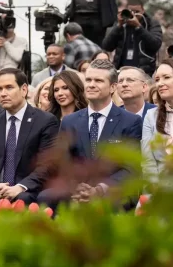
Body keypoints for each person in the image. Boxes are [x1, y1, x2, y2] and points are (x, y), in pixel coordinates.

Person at [38, 59, 142, 209]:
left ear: (113, 87)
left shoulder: (131, 121)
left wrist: (99, 190)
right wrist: (77, 187)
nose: (91, 85)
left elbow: (129, 168)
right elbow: (63, 163)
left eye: (98, 80)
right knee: (46, 197)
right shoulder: (70, 121)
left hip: (113, 190)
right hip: (77, 188)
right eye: (88, 80)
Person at [0, 69, 59, 204]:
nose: (3, 93)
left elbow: (47, 165)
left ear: (24, 90)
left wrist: (19, 187)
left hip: (26, 187)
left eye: (9, 87)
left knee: (23, 197)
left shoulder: (45, 121)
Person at [102, 0, 162, 76]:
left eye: (137, 11)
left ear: (143, 11)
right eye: (131, 11)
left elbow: (155, 45)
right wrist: (118, 26)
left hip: (143, 71)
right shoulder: (121, 23)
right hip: (121, 70)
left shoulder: (151, 23)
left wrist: (138, 27)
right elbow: (106, 46)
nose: (134, 14)